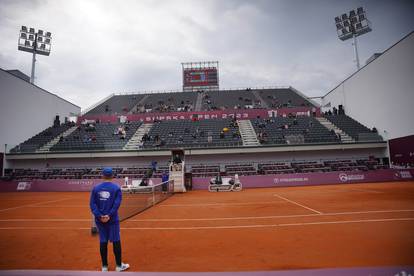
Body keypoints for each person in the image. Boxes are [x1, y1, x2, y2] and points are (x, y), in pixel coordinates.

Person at [90, 167, 130, 272]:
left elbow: (92, 204)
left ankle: (104, 267)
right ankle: (118, 266)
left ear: (102, 175)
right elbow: (117, 204)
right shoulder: (116, 188)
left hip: (100, 221)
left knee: (103, 241)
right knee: (116, 240)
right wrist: (109, 215)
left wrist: (99, 216)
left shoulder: (96, 188)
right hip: (113, 220)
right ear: (112, 176)